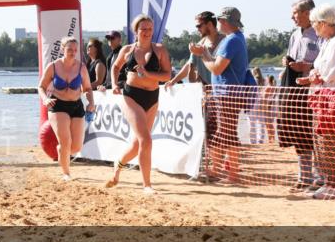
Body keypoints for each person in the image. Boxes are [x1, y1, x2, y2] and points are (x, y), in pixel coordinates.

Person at [107, 15, 172, 194]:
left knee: (137, 145)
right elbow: (115, 67)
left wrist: (148, 74)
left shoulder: (160, 50)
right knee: (146, 140)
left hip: (152, 97)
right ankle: (147, 185)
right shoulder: (127, 50)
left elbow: (167, 76)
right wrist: (114, 84)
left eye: (150, 29)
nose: (147, 32)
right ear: (136, 31)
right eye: (143, 29)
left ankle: (118, 166)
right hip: (131, 96)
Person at [296, 4, 335, 200]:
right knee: (321, 142)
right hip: (321, 96)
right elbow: (318, 66)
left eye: (314, 23)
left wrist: (315, 77)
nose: (313, 27)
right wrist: (313, 74)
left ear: (322, 23)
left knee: (332, 142)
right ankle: (328, 183)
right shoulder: (328, 41)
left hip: (334, 98)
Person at [194, 7, 250, 183]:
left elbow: (217, 68)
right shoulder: (234, 39)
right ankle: (214, 171)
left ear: (224, 22)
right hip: (226, 93)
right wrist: (206, 55)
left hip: (228, 93)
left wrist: (202, 55)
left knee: (228, 133)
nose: (218, 24)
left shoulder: (232, 40)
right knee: (222, 133)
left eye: (220, 20)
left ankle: (232, 175)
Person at [38, 36, 96, 181]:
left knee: (76, 148)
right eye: (69, 49)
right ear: (63, 49)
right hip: (58, 105)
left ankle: (61, 150)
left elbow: (88, 88)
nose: (72, 52)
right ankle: (66, 173)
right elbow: (41, 87)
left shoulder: (81, 67)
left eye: (75, 50)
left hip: (76, 105)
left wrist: (91, 102)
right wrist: (45, 99)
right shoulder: (53, 66)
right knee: (65, 141)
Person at [278, 0, 321, 190]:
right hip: (295, 91)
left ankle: (321, 176)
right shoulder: (294, 35)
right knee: (299, 133)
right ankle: (304, 176)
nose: (292, 16)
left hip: (314, 90)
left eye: (295, 12)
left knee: (316, 134)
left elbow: (326, 61)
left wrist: (308, 66)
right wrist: (288, 64)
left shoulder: (320, 33)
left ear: (307, 13)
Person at [165, 11, 221, 88]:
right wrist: (173, 81)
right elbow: (188, 65)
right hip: (207, 92)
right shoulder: (199, 45)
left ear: (209, 24)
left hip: (224, 90)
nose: (197, 29)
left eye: (199, 26)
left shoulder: (225, 42)